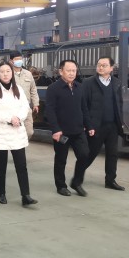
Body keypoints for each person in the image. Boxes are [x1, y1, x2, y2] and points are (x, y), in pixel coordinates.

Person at [0, 61, 38, 206]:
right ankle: (1, 193)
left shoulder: (18, 89)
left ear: (12, 73)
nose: (5, 74)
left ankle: (25, 195)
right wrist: (10, 119)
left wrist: (18, 118)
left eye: (8, 71)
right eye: (2, 72)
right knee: (1, 165)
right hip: (0, 132)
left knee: (21, 165)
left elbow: (25, 107)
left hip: (16, 132)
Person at [45, 59, 93, 197]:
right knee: (61, 160)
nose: (72, 73)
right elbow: (50, 111)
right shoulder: (53, 89)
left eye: (74, 70)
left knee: (84, 155)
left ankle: (76, 182)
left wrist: (89, 125)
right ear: (61, 72)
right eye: (69, 70)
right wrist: (55, 129)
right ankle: (61, 186)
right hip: (62, 132)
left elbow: (84, 108)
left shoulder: (79, 87)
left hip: (78, 130)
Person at [83, 56, 126, 191]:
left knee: (113, 154)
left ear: (111, 68)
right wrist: (87, 124)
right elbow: (84, 105)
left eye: (104, 65)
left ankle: (110, 180)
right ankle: (78, 177)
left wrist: (120, 122)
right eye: (99, 65)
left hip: (112, 125)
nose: (101, 67)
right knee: (91, 153)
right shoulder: (88, 83)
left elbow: (119, 103)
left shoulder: (116, 83)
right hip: (96, 126)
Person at [9, 50, 39, 138]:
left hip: (26, 107)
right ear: (11, 61)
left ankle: (22, 143)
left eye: (20, 59)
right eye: (16, 59)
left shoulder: (28, 74)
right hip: (13, 108)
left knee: (29, 132)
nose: (19, 61)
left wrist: (36, 104)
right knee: (14, 131)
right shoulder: (8, 74)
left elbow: (33, 89)